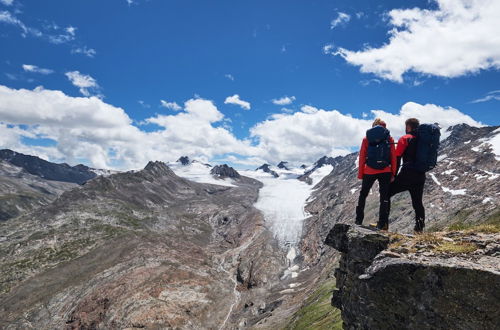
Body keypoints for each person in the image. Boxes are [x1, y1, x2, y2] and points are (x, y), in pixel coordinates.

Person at [355, 118, 397, 230]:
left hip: (369, 170)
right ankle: (382, 224)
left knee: (363, 194)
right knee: (384, 197)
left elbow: (362, 156)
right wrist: (393, 172)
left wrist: (361, 174)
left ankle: (358, 220)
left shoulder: (367, 138)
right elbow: (393, 156)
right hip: (385, 171)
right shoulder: (389, 138)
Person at [388, 118, 426, 232]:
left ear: (408, 127)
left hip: (407, 174)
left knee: (386, 193)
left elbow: (397, 157)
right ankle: (419, 229)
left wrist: (393, 175)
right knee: (418, 202)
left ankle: (383, 223)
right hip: (420, 175)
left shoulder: (405, 138)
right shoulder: (423, 140)